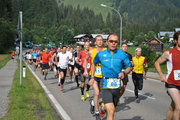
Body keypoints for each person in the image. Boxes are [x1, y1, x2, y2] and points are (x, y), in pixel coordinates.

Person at [90, 33, 131, 120]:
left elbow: (128, 67)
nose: (113, 43)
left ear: (117, 43)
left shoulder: (122, 54)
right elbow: (93, 63)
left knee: (111, 108)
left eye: (115, 41)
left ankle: (103, 107)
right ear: (107, 42)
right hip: (105, 85)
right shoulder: (101, 54)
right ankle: (104, 107)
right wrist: (92, 77)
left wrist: (124, 73)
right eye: (111, 41)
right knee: (111, 110)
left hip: (117, 86)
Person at [154, 31, 180, 120]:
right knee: (179, 107)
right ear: (176, 40)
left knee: (173, 106)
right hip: (172, 83)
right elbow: (157, 63)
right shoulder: (169, 53)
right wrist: (161, 76)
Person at [84, 35, 105, 119]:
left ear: (103, 42)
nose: (100, 41)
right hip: (94, 75)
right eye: (98, 40)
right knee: (96, 93)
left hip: (103, 76)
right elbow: (86, 59)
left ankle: (93, 103)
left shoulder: (106, 51)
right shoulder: (91, 51)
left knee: (100, 94)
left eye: (101, 40)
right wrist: (85, 70)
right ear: (95, 42)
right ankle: (97, 113)